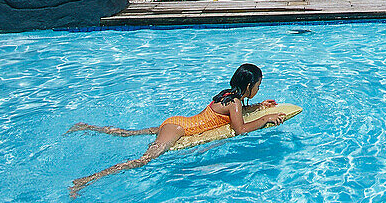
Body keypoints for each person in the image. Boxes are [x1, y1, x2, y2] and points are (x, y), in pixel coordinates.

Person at [67, 63, 285, 198]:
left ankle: (88, 128)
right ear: (248, 87)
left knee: (129, 132)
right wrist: (266, 118)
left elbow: (235, 113)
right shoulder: (235, 103)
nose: (258, 89)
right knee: (143, 161)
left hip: (177, 122)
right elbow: (240, 130)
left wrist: (259, 106)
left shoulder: (229, 96)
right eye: (257, 86)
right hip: (179, 130)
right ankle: (84, 181)